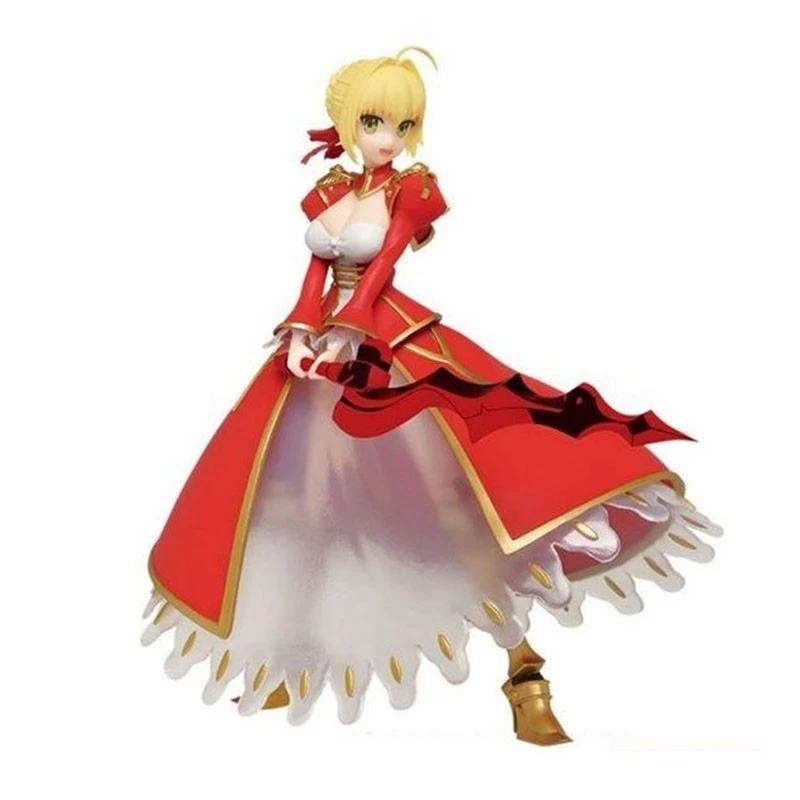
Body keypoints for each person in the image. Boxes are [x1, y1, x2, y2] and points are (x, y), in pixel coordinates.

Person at [142, 46, 721, 745]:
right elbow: (315, 273)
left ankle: (525, 676)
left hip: (386, 346)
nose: (389, 138)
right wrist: (301, 330)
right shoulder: (332, 190)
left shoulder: (411, 189)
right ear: (349, 123)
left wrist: (353, 329)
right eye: (375, 122)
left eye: (403, 124)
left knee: (464, 506)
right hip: (318, 357)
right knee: (300, 506)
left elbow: (382, 263)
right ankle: (293, 663)